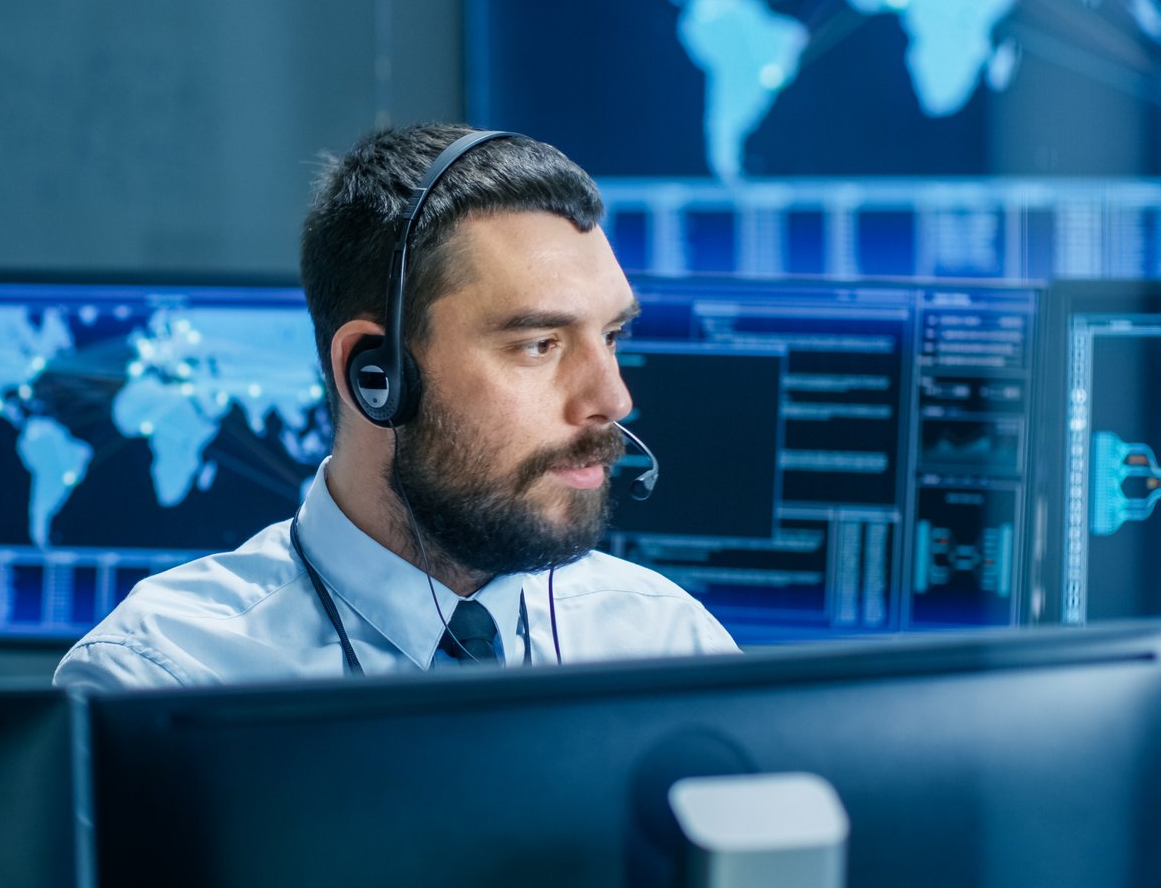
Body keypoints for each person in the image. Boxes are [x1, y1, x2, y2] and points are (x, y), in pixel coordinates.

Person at [52, 124, 737, 688]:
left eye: (612, 335)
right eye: (539, 345)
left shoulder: (670, 646)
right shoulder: (156, 682)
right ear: (374, 375)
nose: (613, 398)